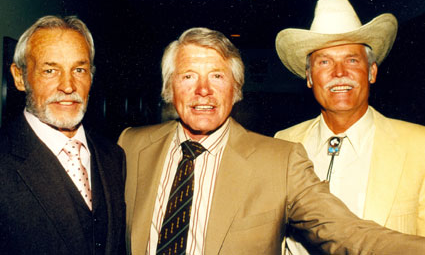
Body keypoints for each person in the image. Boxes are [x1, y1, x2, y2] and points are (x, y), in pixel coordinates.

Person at [119, 26, 425, 255]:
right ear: (169, 88)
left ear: (236, 88)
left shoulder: (280, 159)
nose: (203, 90)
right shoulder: (130, 146)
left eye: (217, 76)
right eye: (188, 77)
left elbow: (347, 232)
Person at [274, 0, 425, 254]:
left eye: (352, 60)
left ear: (372, 72)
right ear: (309, 77)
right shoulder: (282, 143)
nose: (339, 73)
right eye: (324, 62)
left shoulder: (418, 145)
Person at [0, 15, 126, 254]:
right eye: (50, 70)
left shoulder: (113, 156)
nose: (68, 86)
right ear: (19, 77)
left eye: (79, 69)